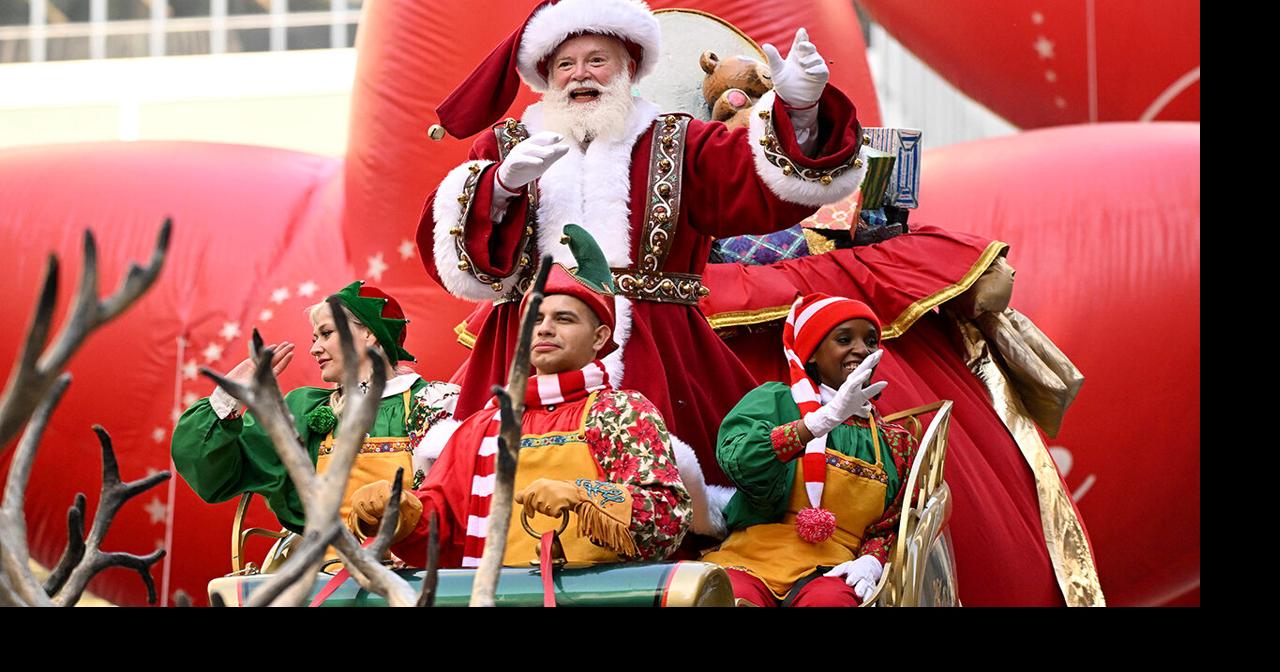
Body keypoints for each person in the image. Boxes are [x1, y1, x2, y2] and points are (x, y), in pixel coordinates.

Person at [417, 0, 870, 536]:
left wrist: (801, 112)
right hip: (528, 346)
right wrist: (498, 188)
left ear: (629, 68)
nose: (580, 75)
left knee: (674, 503)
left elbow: (760, 188)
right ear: (544, 74)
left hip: (656, 351)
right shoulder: (503, 147)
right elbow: (459, 260)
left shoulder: (681, 141)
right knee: (498, 504)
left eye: (597, 60)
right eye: (565, 64)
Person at [353, 225, 690, 567]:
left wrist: (583, 496)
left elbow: (667, 519)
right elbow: (442, 529)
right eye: (535, 319)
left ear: (600, 337)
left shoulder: (622, 412)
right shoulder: (481, 426)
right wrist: (400, 512)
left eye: (564, 318)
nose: (544, 328)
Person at [171, 281, 460, 534]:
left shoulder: (434, 403)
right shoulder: (302, 410)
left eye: (326, 333)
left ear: (369, 334)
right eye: (314, 338)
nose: (314, 348)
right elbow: (213, 471)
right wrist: (229, 397)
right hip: (330, 573)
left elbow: (461, 501)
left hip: (414, 574)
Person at [702, 293, 917, 607]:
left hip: (832, 569)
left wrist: (872, 561)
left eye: (871, 341)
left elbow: (898, 521)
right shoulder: (776, 401)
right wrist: (816, 424)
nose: (861, 349)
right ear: (813, 353)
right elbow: (740, 460)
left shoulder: (894, 442)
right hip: (750, 556)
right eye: (844, 339)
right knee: (728, 596)